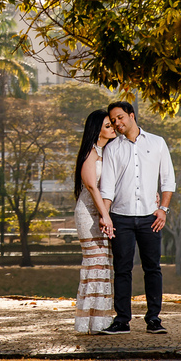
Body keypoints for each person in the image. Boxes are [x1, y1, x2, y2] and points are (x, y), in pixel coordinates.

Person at [97, 100, 175, 335]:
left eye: (120, 117)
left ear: (131, 115)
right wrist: (106, 216)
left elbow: (168, 180)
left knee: (153, 268)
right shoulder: (112, 148)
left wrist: (163, 209)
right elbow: (107, 187)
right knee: (122, 269)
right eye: (113, 121)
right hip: (120, 218)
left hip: (150, 218)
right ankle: (122, 320)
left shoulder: (157, 142)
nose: (117, 123)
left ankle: (154, 319)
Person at [73, 110, 117, 334]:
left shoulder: (107, 151)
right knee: (95, 264)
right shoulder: (90, 152)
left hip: (101, 214)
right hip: (88, 215)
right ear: (96, 128)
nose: (112, 127)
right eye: (108, 125)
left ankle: (99, 322)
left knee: (104, 265)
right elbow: (92, 187)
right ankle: (88, 323)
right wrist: (105, 215)